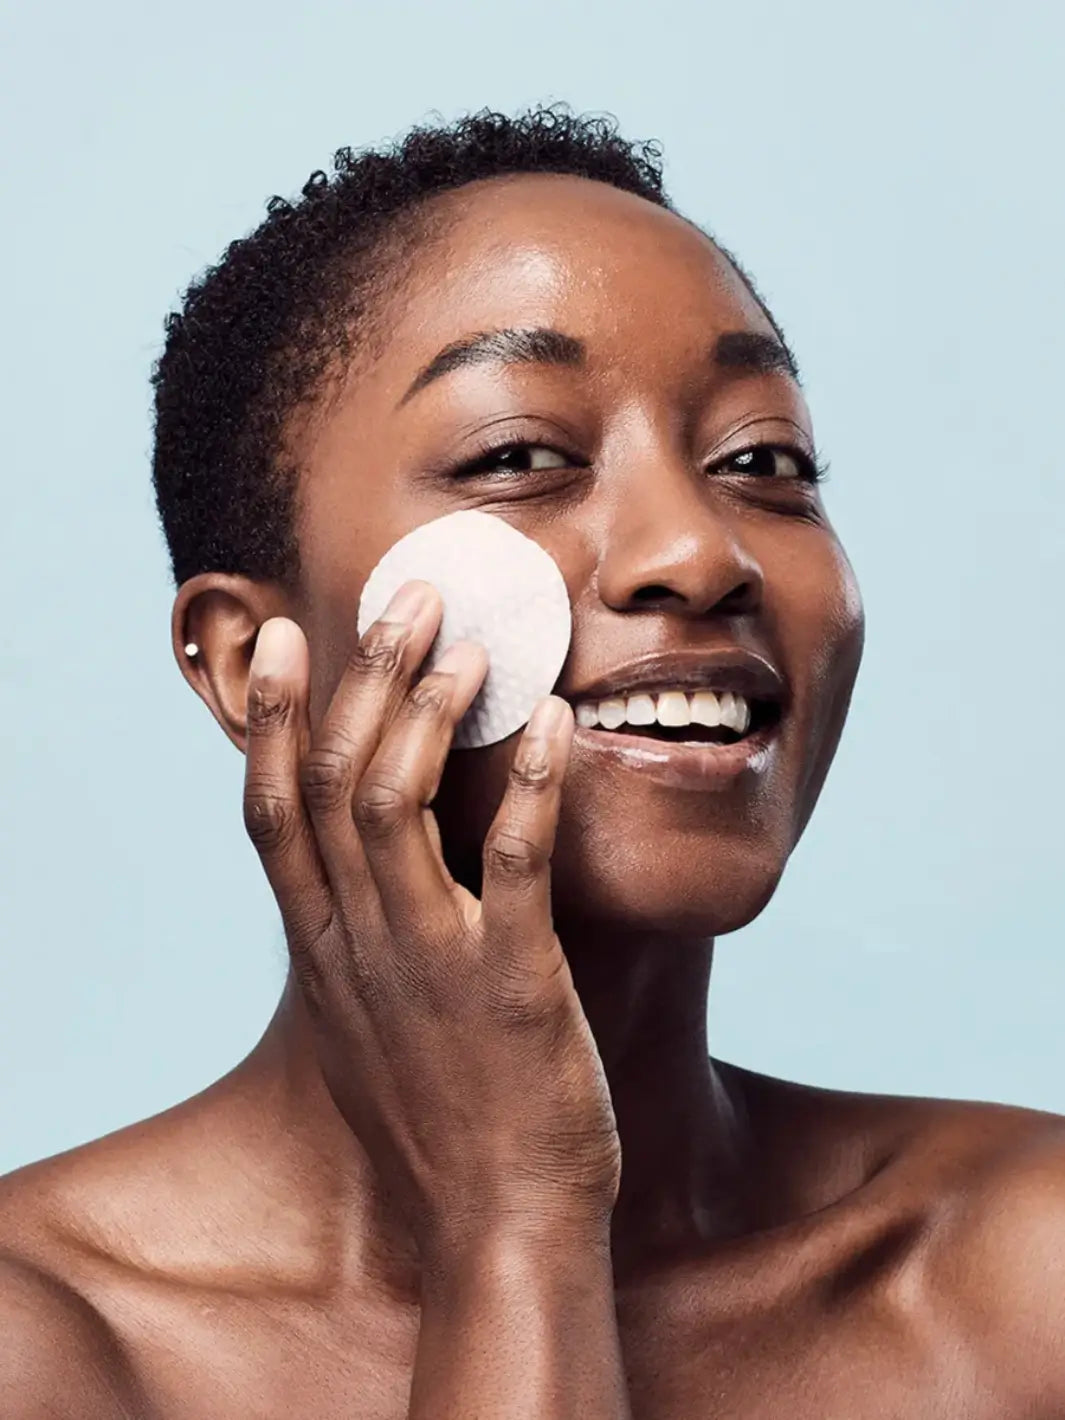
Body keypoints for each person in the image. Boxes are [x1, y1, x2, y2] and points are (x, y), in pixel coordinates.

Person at [1, 105, 1062, 1419]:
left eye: (762, 460)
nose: (696, 553)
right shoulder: (48, 1346)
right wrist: (516, 1219)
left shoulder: (1019, 1282)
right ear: (245, 657)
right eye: (518, 457)